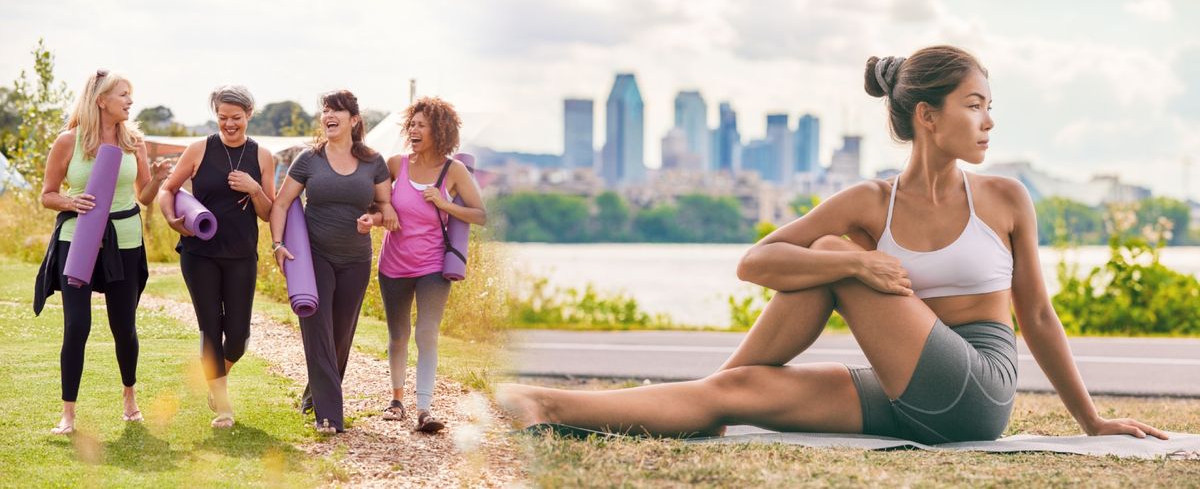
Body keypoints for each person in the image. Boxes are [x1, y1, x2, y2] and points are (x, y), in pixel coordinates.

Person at [496, 46, 1168, 444]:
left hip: (976, 392)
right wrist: (853, 258)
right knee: (738, 390)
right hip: (904, 392)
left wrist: (1092, 421)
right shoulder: (872, 203)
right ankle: (545, 404)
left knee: (822, 247)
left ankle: (701, 388)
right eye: (973, 104)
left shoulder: (1004, 197)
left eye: (989, 105)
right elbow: (754, 262)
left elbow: (1040, 319)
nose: (988, 120)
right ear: (928, 118)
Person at [34, 69, 170, 435]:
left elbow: (143, 196)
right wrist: (69, 200)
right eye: (123, 94)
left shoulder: (134, 142)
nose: (130, 101)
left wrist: (156, 179)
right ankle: (68, 413)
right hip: (77, 241)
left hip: (124, 239)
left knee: (123, 327)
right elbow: (47, 194)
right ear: (101, 100)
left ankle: (129, 396)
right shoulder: (68, 142)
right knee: (77, 326)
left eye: (131, 94)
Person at [270, 90, 397, 434]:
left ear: (354, 120)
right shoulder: (308, 160)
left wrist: (374, 220)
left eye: (336, 110)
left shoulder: (373, 161)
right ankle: (329, 416)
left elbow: (386, 208)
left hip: (356, 259)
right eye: (325, 110)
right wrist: (278, 244)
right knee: (318, 330)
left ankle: (315, 393)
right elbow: (281, 204)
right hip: (315, 257)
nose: (328, 115)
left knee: (340, 335)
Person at [359, 97, 486, 432]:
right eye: (411, 124)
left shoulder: (453, 171)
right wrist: (375, 217)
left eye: (421, 125)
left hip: (432, 265)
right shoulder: (395, 165)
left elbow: (480, 214)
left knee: (426, 334)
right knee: (398, 334)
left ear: (439, 131)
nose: (413, 129)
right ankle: (397, 400)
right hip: (393, 264)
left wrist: (444, 203)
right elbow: (375, 203)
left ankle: (425, 408)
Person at [158, 85, 275, 428]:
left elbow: (268, 213)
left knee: (237, 336)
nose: (229, 124)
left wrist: (254, 188)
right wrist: (170, 219)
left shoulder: (263, 156)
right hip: (199, 253)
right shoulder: (198, 149)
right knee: (211, 328)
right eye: (222, 117)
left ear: (249, 115)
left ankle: (215, 378)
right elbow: (168, 189)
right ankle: (223, 405)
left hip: (241, 254)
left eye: (236, 118)